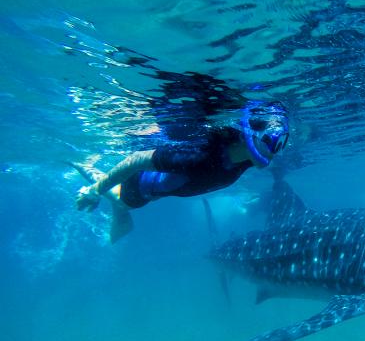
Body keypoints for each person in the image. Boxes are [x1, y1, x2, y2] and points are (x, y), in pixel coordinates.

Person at [73, 101, 289, 242]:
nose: (276, 150)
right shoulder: (199, 155)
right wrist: (95, 191)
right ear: (247, 136)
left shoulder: (246, 160)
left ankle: (114, 205)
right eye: (271, 142)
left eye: (281, 142)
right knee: (121, 202)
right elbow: (135, 160)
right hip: (140, 188)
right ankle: (81, 165)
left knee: (122, 208)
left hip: (159, 190)